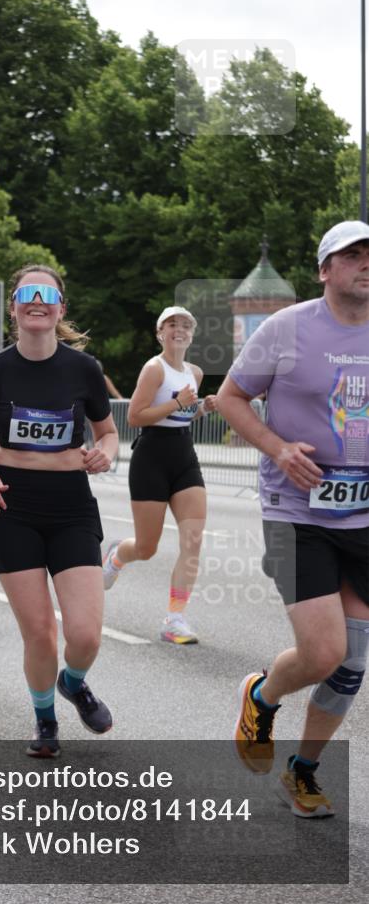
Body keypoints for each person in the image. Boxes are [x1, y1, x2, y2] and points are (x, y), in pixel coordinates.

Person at [217, 220, 369, 818]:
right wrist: (278, 448)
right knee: (325, 650)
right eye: (351, 256)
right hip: (295, 512)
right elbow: (230, 397)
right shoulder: (286, 328)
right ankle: (262, 693)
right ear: (325, 270)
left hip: (362, 517)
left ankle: (302, 770)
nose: (364, 264)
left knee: (354, 660)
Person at [0, 264, 119, 757]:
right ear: (14, 307)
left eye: (46, 295)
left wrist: (105, 454)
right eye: (27, 294)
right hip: (10, 504)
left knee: (85, 635)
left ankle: (74, 682)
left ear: (60, 309)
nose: (37, 301)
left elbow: (108, 433)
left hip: (71, 503)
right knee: (39, 633)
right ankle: (45, 719)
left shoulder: (83, 369)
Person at [101, 306, 217, 644]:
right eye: (171, 325)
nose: (179, 330)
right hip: (151, 456)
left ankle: (174, 619)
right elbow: (135, 417)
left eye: (185, 326)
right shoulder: (154, 369)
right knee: (147, 547)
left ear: (192, 334)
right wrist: (178, 403)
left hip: (184, 456)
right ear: (160, 333)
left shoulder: (194, 373)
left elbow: (184, 416)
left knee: (193, 540)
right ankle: (118, 554)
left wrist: (200, 409)